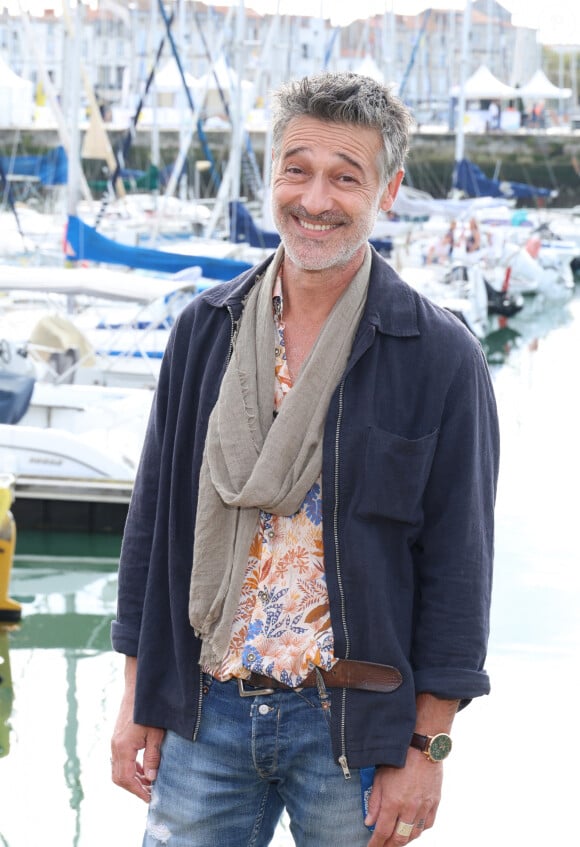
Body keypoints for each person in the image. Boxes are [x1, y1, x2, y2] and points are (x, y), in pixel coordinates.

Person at [110, 71, 500, 847]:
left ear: (386, 191)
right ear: (271, 176)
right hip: (204, 711)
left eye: (345, 177)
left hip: (353, 733)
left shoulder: (439, 357)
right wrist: (134, 695)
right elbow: (152, 529)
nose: (315, 199)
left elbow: (460, 567)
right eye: (297, 169)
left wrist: (428, 748)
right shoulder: (204, 330)